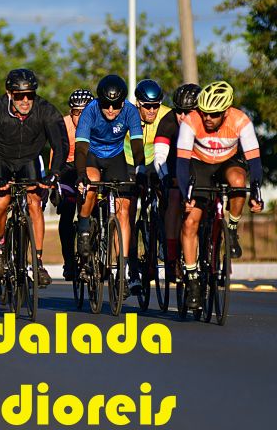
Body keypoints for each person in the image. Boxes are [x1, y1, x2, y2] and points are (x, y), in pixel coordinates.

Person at [0, 68, 69, 287]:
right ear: (9, 93)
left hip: (29, 159)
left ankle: (37, 262)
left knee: (35, 203)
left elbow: (61, 144)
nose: (26, 100)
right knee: (1, 201)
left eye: (30, 95)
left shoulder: (46, 111)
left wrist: (54, 174)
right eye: (20, 95)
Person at [176, 80, 263, 308]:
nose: (207, 119)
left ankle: (232, 227)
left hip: (227, 163)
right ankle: (193, 279)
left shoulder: (240, 121)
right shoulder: (191, 121)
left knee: (238, 180)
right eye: (204, 113)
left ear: (225, 112)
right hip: (199, 165)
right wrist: (187, 195)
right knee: (190, 221)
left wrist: (256, 192)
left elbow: (254, 161)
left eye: (213, 115)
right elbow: (182, 163)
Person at [74, 74, 145, 297]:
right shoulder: (91, 111)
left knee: (124, 210)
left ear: (123, 102)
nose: (111, 110)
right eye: (106, 104)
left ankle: (121, 271)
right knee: (92, 183)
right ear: (99, 101)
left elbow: (136, 144)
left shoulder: (131, 112)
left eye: (116, 105)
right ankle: (84, 228)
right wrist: (80, 174)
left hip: (116, 157)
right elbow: (81, 149)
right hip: (92, 155)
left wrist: (141, 170)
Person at [125, 79, 172, 294]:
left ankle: (162, 235)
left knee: (167, 198)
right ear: (137, 104)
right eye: (147, 106)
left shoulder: (166, 115)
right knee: (128, 213)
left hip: (156, 162)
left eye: (156, 106)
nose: (152, 111)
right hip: (128, 162)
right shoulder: (126, 113)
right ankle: (132, 273)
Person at [153, 83, 202, 281]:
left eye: (187, 112)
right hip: (172, 165)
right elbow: (159, 155)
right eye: (179, 111)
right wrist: (164, 177)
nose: (182, 117)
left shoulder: (204, 123)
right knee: (173, 196)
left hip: (198, 167)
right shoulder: (168, 122)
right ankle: (172, 258)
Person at [52, 89, 94, 281]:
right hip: (67, 168)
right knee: (68, 208)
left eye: (85, 112)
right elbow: (55, 155)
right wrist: (54, 180)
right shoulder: (63, 125)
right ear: (71, 113)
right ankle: (69, 260)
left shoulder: (99, 124)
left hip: (90, 166)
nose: (80, 117)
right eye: (76, 112)